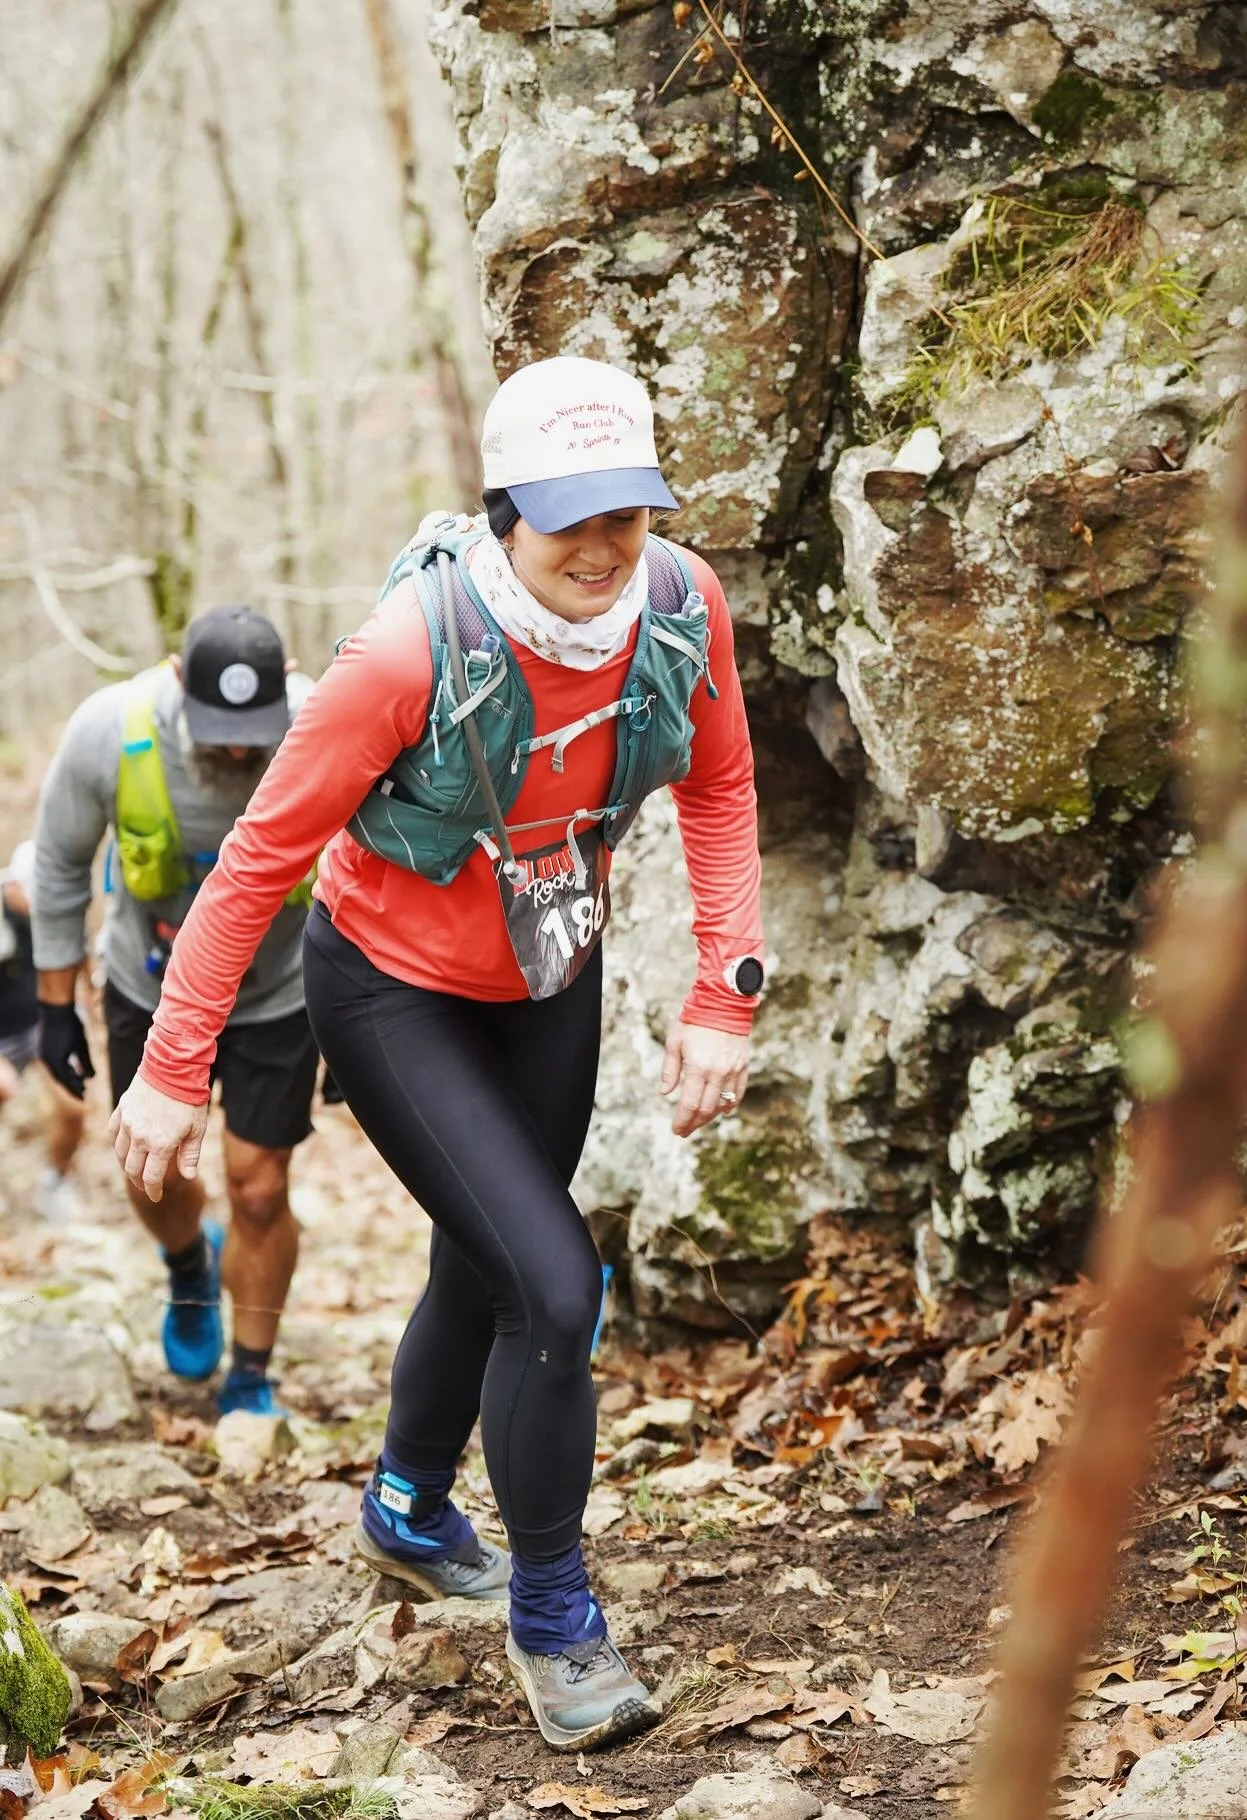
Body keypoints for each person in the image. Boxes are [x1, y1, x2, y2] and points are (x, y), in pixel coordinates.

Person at [108, 355, 765, 1754]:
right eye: (569, 517)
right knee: (553, 1279)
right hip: (393, 991)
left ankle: (406, 1507)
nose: (601, 548)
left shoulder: (679, 605)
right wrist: (173, 1068)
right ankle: (554, 1619)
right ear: (505, 508)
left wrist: (725, 995)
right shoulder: (408, 652)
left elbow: (718, 786)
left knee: (492, 1262)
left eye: (627, 516)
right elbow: (254, 866)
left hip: (552, 973)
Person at [32, 607, 318, 1416]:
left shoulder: (323, 719)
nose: (236, 746)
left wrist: (361, 1011)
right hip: (147, 989)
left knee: (259, 1186)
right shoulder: (109, 732)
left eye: (252, 727)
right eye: (218, 726)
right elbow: (56, 867)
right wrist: (57, 1012)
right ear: (173, 678)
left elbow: (379, 858)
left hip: (277, 992)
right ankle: (190, 1265)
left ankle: (252, 1375)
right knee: (153, 1172)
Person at [0, 839, 87, 1222]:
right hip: (2, 1034)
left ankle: (54, 1181)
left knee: (73, 1103)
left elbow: (80, 965)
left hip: (41, 1020)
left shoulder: (58, 913)